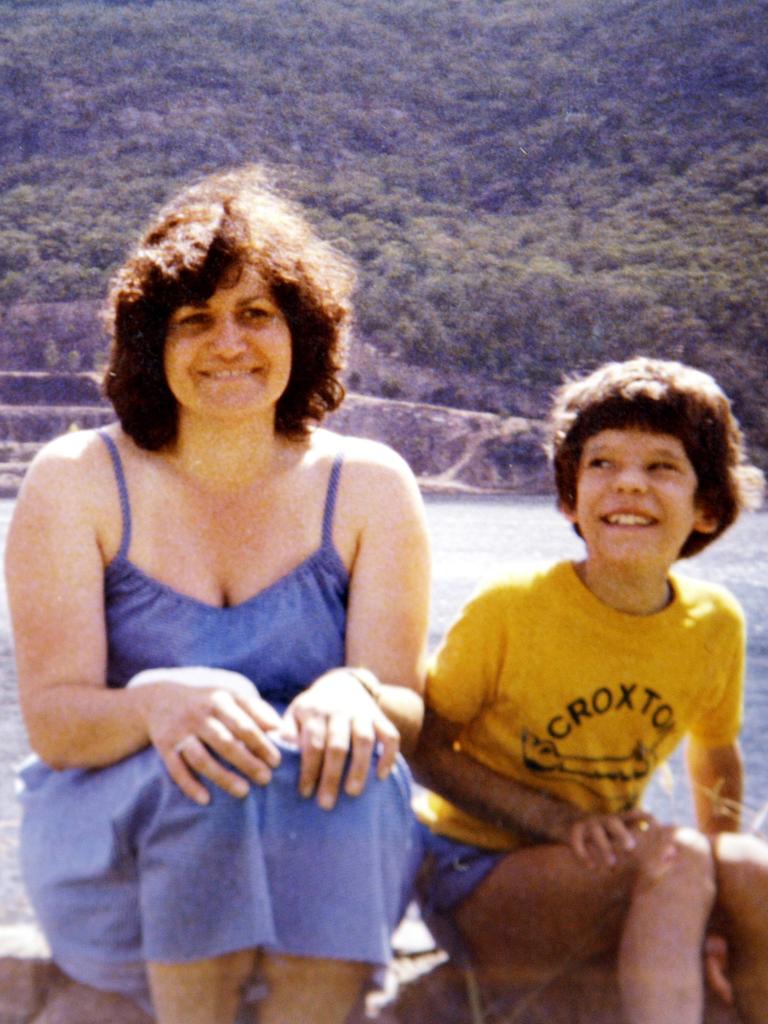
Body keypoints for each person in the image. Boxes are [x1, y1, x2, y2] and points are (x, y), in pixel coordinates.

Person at [5, 166, 430, 1024]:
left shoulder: (372, 486)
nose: (227, 343)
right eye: (194, 320)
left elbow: (404, 710)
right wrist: (160, 701)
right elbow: (55, 723)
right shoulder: (77, 481)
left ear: (300, 333)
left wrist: (355, 691)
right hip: (125, 855)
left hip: (314, 843)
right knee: (213, 772)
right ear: (151, 347)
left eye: (255, 314)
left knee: (352, 771)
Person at [411, 357, 768, 1024]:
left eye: (662, 466)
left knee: (749, 866)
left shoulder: (714, 621)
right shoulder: (511, 608)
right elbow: (425, 749)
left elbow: (715, 759)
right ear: (571, 497)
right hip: (477, 874)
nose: (628, 484)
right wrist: (557, 822)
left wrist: (720, 907)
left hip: (606, 867)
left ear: (708, 506)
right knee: (674, 852)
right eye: (602, 464)